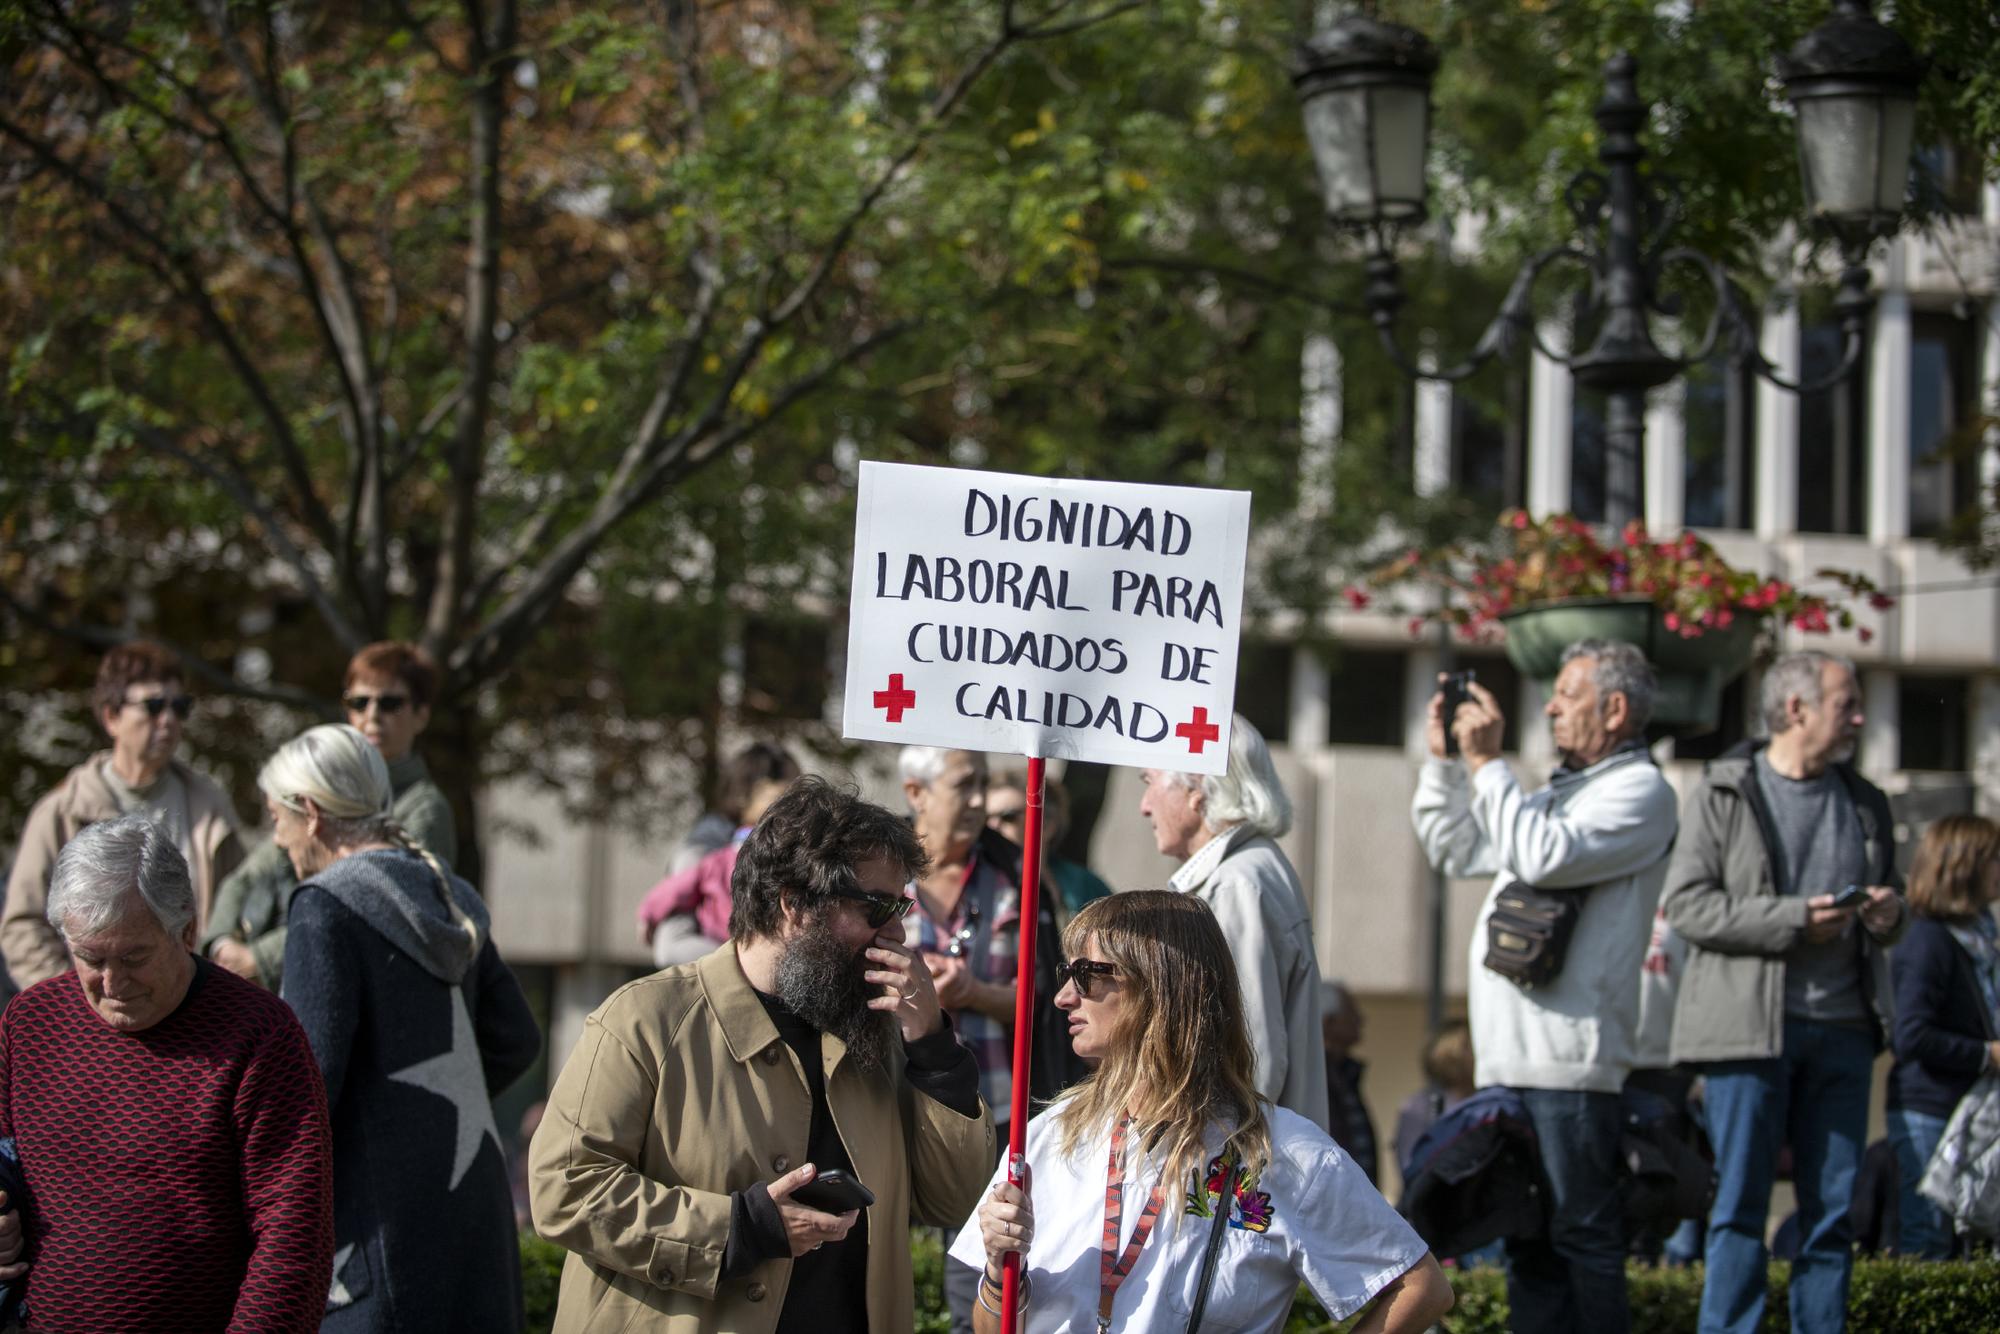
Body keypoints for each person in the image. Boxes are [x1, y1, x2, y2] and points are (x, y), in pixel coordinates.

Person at [530, 777, 994, 1333]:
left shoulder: (881, 1031)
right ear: (794, 904)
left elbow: (954, 1202)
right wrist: (738, 1228)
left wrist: (934, 1048)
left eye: (902, 906)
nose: (897, 931)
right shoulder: (646, 1019)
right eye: (878, 908)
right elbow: (565, 1187)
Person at [957, 891, 1453, 1334]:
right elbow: (991, 1326)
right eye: (1066, 976)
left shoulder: (1282, 1152)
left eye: (1087, 975)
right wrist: (1002, 1275)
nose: (1065, 997)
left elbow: (1420, 1287)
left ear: (1161, 987)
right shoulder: (1049, 1136)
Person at [1411, 639, 1678, 1334]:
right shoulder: (1560, 794)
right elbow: (1454, 846)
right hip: (1510, 1062)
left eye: (1567, 693)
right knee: (1530, 1243)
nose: (1550, 707)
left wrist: (1487, 763)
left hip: (1570, 1067)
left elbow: (1540, 853)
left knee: (1582, 1240)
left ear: (1615, 709)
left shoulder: (1640, 792)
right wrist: (1445, 760)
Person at [0, 814, 333, 1329]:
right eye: (90, 957)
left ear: (187, 930)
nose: (111, 983)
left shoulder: (258, 1034)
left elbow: (294, 1234)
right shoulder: (30, 1024)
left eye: (134, 956)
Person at [1662, 649, 1905, 1334]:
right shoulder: (1724, 790)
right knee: (1737, 1209)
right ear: (1795, 709)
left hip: (1846, 1033)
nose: (1859, 717)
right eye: (1845, 704)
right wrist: (1795, 918)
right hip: (1747, 1035)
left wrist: (1890, 915)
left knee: (1832, 1216)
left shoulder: (1865, 803)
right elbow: (1688, 907)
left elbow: (1893, 910)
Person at [270, 724, 541, 1332]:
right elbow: (517, 1037)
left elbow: (307, 1086)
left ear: (310, 814)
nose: (276, 838)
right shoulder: (446, 893)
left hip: (376, 1246)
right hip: (475, 1225)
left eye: (275, 818)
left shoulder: (324, 906)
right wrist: (434, 1111)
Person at [201, 640, 456, 991]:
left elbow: (379, 911)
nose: (372, 715)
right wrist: (221, 945)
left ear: (422, 715)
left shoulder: (424, 807)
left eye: (390, 703)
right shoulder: (326, 785)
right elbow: (246, 878)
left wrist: (259, 958)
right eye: (359, 702)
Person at [4, 640, 244, 987]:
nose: (168, 720)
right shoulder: (62, 810)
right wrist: (76, 1004)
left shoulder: (210, 805)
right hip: (94, 1022)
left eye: (179, 707)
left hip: (195, 1017)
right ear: (111, 717)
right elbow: (22, 926)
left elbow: (241, 911)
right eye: (154, 706)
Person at [1140, 714, 1329, 1131]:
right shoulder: (1247, 871)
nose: (1145, 805)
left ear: (1196, 788)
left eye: (1149, 781)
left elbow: (1252, 1049)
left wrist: (1213, 1153)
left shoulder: (1236, 884)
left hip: (1239, 1172)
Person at [1886, 814, 2000, 1259]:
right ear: (1964, 865)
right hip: (1929, 1110)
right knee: (1929, 1239)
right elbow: (1910, 1036)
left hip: (1971, 1110)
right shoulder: (1929, 940)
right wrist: (1986, 1054)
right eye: (1994, 859)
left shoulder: (1980, 939)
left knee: (1967, 1242)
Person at [639, 752, 800, 967]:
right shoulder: (707, 855)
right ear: (745, 798)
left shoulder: (720, 856)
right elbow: (676, 892)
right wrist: (649, 913)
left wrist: (648, 914)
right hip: (730, 954)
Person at [986, 767, 1113, 915]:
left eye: (1008, 816)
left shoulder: (1087, 887)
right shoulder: (971, 882)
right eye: (986, 818)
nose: (992, 826)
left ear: (1046, 825)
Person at [666, 742, 803, 877]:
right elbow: (684, 871)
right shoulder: (709, 842)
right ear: (742, 795)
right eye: (780, 798)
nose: (790, 810)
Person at [1322, 980, 1380, 1186]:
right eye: (1351, 1013)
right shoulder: (1316, 1078)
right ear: (1329, 1022)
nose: (1361, 1020)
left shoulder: (1344, 1074)